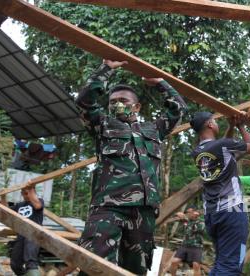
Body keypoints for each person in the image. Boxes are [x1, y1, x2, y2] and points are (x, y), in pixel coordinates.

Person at [76, 60, 187, 275]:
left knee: (136, 269)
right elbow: (84, 101)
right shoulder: (103, 125)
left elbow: (179, 109)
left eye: (123, 100)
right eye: (113, 101)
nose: (117, 104)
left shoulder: (154, 129)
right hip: (109, 206)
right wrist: (106, 69)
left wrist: (160, 83)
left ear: (136, 107)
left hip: (144, 211)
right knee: (93, 262)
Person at [190, 112, 250, 275]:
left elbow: (225, 149)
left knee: (222, 262)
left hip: (212, 214)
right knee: (231, 266)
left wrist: (231, 126)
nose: (217, 123)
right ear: (210, 125)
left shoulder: (198, 152)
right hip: (231, 212)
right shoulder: (222, 145)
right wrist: (241, 126)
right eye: (215, 121)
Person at [4, 186, 44, 276]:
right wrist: (3, 196)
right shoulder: (19, 205)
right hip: (21, 235)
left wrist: (31, 190)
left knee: (30, 260)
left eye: (28, 193)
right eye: (24, 193)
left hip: (33, 234)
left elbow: (37, 206)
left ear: (33, 192)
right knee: (15, 264)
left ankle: (33, 273)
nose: (26, 195)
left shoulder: (39, 201)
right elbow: (5, 211)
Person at [169, 206, 206, 276]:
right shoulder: (186, 220)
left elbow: (195, 229)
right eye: (187, 212)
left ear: (195, 213)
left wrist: (185, 219)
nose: (187, 214)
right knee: (174, 261)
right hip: (184, 245)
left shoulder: (201, 222)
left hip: (196, 247)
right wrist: (176, 214)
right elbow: (171, 218)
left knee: (196, 265)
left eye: (189, 212)